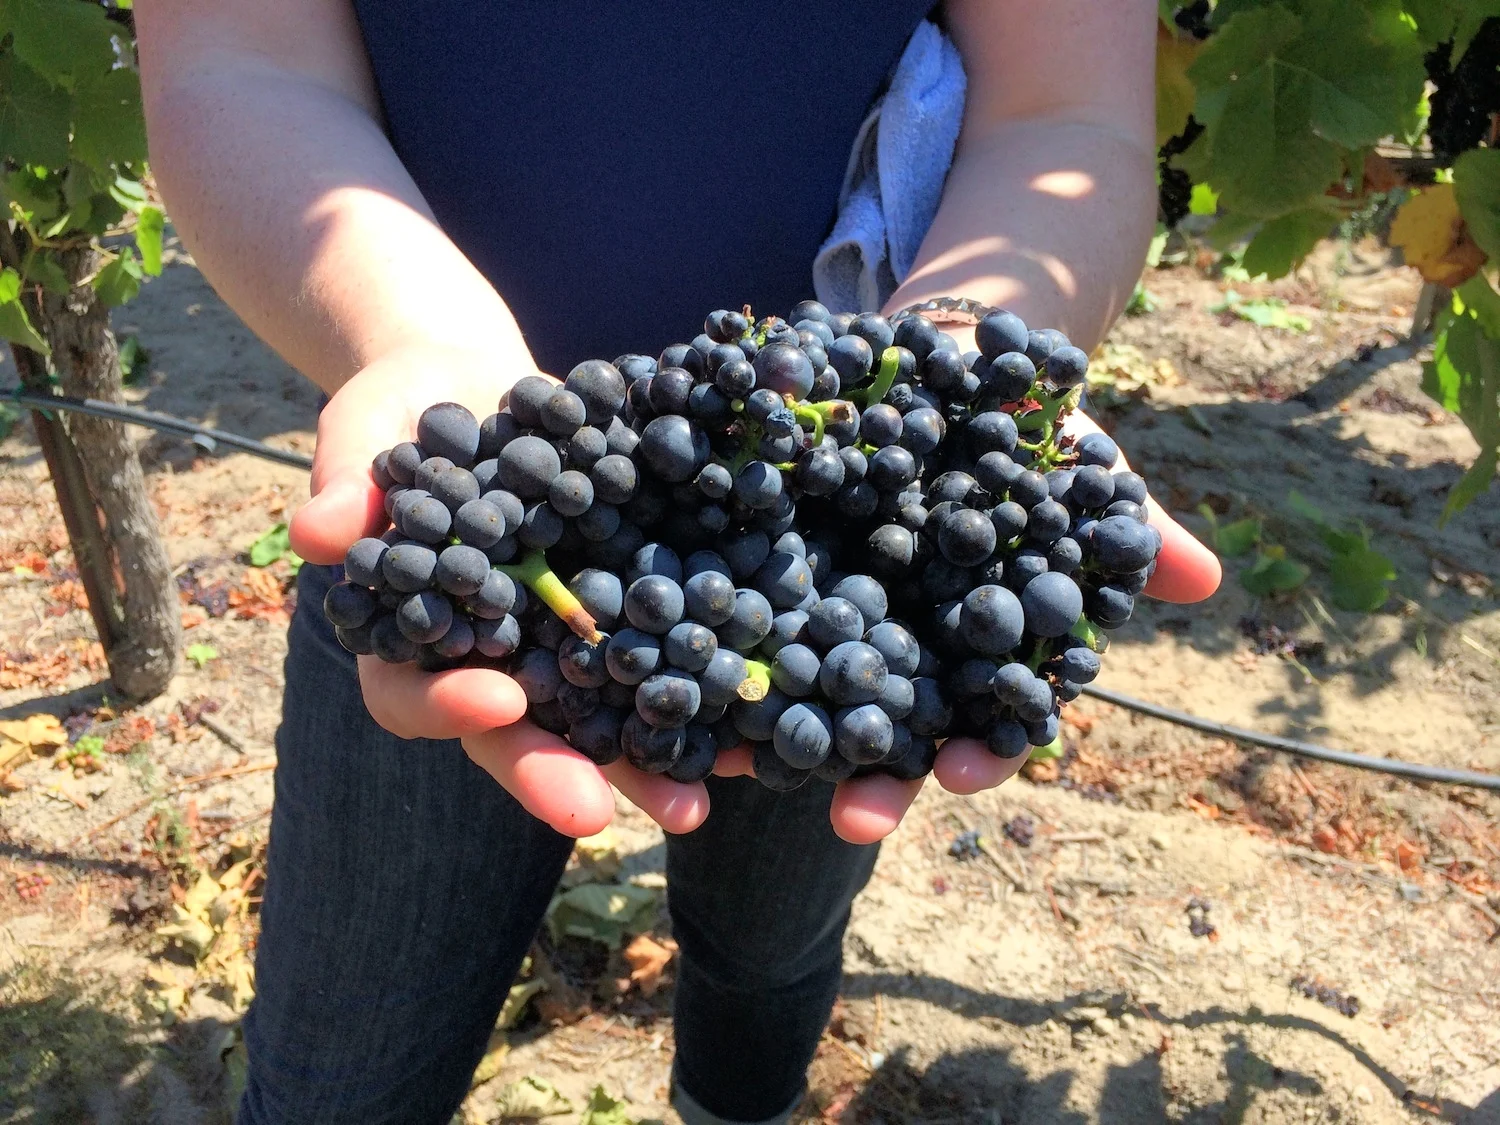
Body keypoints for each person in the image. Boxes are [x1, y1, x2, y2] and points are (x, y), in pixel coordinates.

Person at [136, 2, 1221, 1121]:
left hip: (845, 545)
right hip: (462, 519)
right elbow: (239, 65)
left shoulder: (892, 543)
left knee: (768, 956)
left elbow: (1061, 114)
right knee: (340, 1072)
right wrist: (414, 337)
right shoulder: (444, 541)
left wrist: (955, 346)